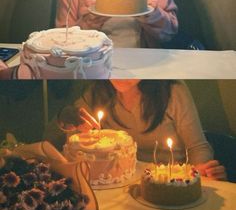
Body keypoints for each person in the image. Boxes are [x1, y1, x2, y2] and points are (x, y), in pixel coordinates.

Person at [44, 79, 227, 181]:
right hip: (121, 188)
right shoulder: (97, 91)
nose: (121, 72)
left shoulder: (171, 90)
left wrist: (202, 170)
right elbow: (51, 140)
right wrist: (63, 118)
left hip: (170, 183)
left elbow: (197, 147)